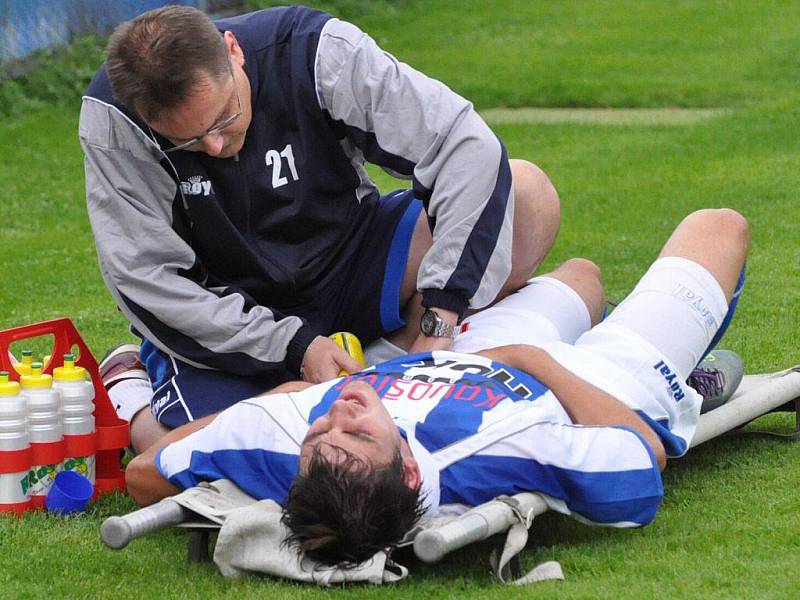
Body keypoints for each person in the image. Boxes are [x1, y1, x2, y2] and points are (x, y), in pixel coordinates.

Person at [126, 208, 749, 566]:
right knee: (719, 226)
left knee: (581, 277)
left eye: (323, 434)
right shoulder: (506, 457)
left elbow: (147, 471)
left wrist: (277, 398)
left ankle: (616, 325)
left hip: (468, 357)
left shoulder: (291, 452)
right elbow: (645, 456)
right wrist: (535, 361)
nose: (338, 413)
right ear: (412, 473)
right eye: (358, 433)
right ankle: (685, 383)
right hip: (596, 380)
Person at [79, 5, 561, 453]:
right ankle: (131, 390)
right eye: (187, 140)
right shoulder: (116, 119)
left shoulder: (316, 50)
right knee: (199, 448)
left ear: (233, 50)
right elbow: (147, 280)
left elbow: (463, 144)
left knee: (527, 194)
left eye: (226, 116)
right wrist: (294, 346)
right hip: (230, 310)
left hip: (352, 260)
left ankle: (387, 357)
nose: (217, 145)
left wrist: (441, 316)